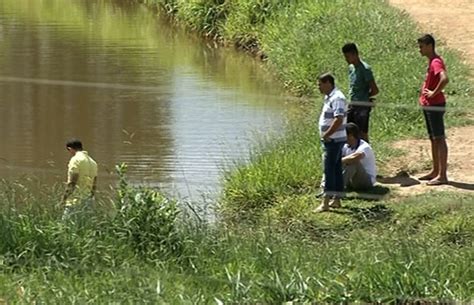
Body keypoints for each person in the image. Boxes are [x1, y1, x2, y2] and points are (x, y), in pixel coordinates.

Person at [417, 34, 449, 186]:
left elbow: (444, 79)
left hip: (435, 105)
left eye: (421, 46)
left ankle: (442, 175)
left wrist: (433, 93)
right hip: (429, 105)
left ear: (430, 45)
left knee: (439, 138)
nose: (420, 50)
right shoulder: (432, 61)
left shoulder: (436, 62)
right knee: (433, 138)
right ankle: (435, 171)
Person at [315, 73, 347, 212]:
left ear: (328, 83)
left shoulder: (337, 98)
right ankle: (337, 200)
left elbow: (338, 118)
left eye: (320, 85)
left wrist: (327, 134)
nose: (319, 88)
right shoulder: (330, 97)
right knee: (336, 169)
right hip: (334, 139)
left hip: (333, 140)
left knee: (329, 170)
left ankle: (326, 203)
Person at [342, 43, 379, 143]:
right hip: (352, 104)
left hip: (362, 106)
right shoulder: (351, 68)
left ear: (355, 54)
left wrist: (365, 97)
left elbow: (375, 90)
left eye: (348, 57)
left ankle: (366, 154)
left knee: (362, 133)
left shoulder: (365, 69)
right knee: (349, 131)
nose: (346, 59)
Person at [61, 139, 98, 219]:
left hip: (75, 201)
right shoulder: (93, 162)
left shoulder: (75, 160)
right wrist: (91, 197)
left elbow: (72, 182)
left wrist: (64, 198)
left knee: (64, 225)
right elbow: (94, 184)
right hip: (88, 201)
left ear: (70, 149)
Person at [342, 123, 376, 190]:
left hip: (366, 181)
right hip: (353, 179)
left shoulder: (364, 146)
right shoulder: (346, 146)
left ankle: (337, 189)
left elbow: (356, 157)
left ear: (351, 135)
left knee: (353, 163)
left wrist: (338, 161)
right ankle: (330, 186)